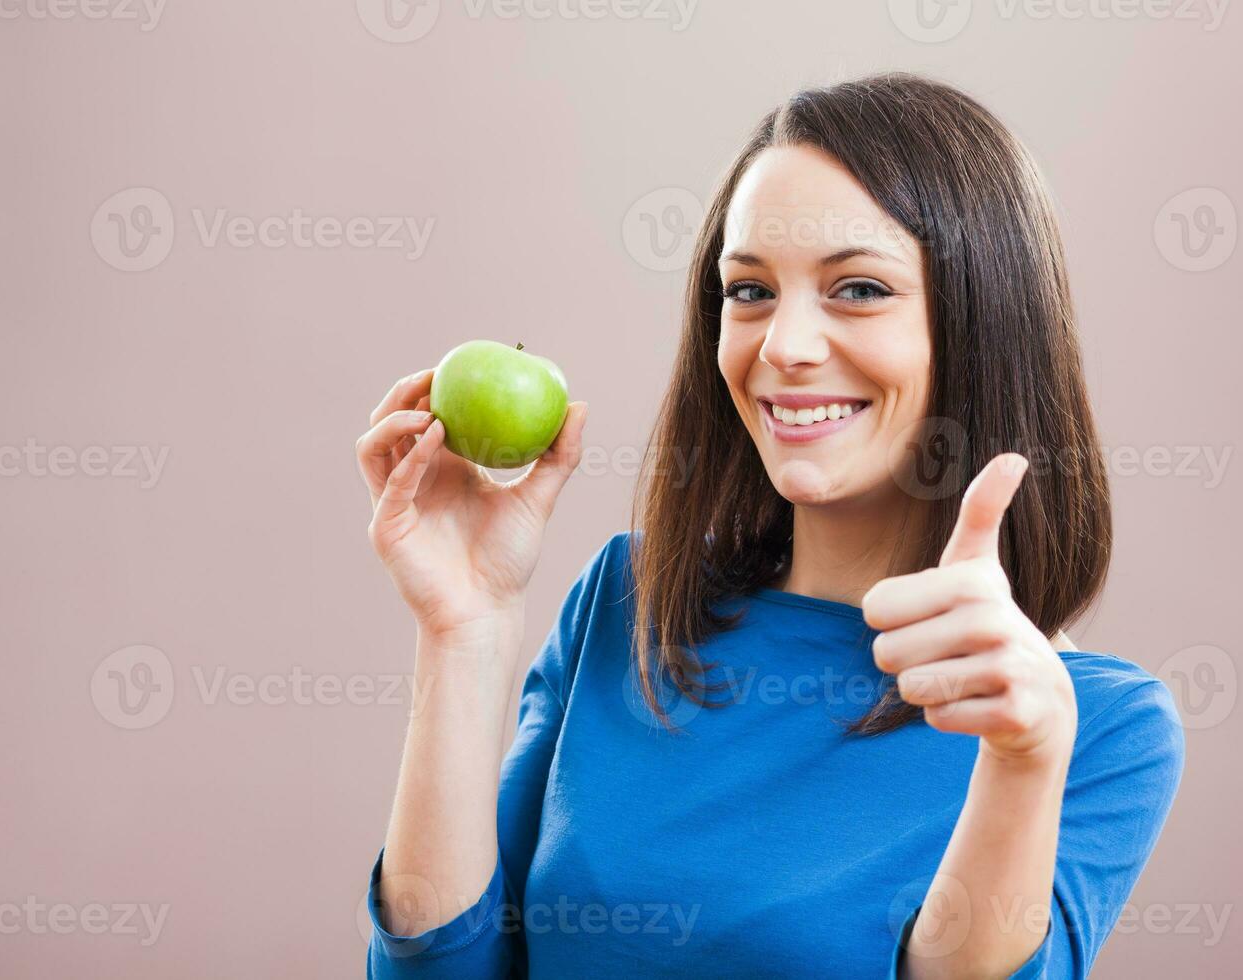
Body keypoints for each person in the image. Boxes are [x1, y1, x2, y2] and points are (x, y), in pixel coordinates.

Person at [356, 72, 1184, 979]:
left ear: (984, 322)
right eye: (748, 291)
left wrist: (1022, 763)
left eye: (859, 289)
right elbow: (442, 970)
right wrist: (463, 633)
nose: (783, 347)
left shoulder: (1095, 724)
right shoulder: (626, 605)